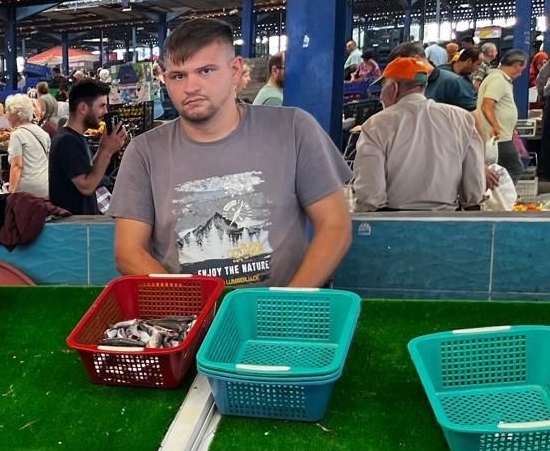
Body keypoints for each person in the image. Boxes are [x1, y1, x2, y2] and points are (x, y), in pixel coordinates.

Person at [112, 18, 352, 287]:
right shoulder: (144, 152)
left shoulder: (294, 129)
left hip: (281, 319)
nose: (191, 87)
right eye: (178, 76)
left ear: (235, 70)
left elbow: (335, 226)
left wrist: (285, 305)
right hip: (189, 321)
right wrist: (197, 309)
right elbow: (129, 252)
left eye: (206, 71)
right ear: (165, 79)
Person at [350, 56, 483, 212]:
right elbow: (474, 182)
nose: (380, 96)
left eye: (382, 88)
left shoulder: (376, 125)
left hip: (392, 223)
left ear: (394, 88)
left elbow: (370, 192)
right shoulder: (462, 119)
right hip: (447, 222)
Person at [46, 79, 124, 216]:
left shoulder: (75, 137)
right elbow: (86, 186)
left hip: (80, 226)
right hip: (74, 229)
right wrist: (107, 151)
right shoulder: (67, 141)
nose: (105, 112)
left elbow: (89, 173)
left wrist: (102, 147)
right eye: (102, 106)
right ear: (83, 108)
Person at [477, 48, 529, 186]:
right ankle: (501, 198)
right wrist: (496, 126)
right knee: (515, 168)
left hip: (502, 135)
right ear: (516, 65)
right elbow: (486, 105)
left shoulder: (501, 79)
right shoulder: (498, 79)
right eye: (522, 67)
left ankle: (496, 197)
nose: (521, 72)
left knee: (502, 169)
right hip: (499, 137)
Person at [4, 95, 51, 197]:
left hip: (27, 190)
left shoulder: (17, 135)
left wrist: (10, 193)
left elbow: (17, 166)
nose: (5, 115)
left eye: (7, 111)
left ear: (15, 114)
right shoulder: (43, 133)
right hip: (46, 187)